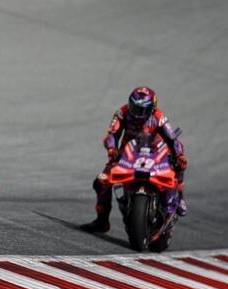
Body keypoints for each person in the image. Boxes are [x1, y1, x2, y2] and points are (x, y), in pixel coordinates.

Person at [80, 87, 188, 233]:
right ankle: (102, 221)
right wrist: (112, 149)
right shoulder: (121, 113)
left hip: (155, 154)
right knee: (101, 182)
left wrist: (179, 155)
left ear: (152, 108)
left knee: (179, 164)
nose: (137, 114)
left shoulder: (159, 117)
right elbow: (112, 134)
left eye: (141, 110)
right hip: (127, 155)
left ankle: (180, 196)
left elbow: (173, 139)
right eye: (134, 107)